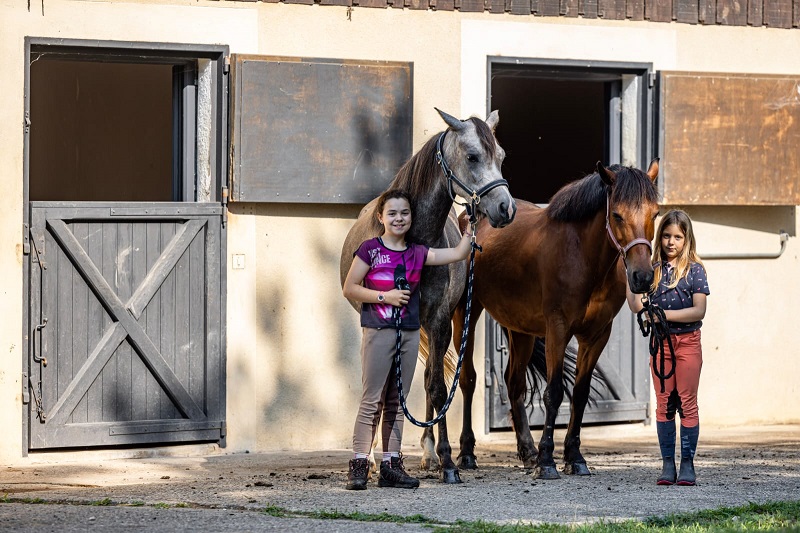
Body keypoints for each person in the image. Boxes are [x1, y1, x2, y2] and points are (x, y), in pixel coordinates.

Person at [342, 188, 473, 490]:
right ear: (381, 217)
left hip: (410, 333)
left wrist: (469, 229)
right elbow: (350, 287)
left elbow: (456, 254)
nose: (399, 218)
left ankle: (391, 464)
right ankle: (360, 464)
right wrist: (384, 296)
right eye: (392, 213)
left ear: (411, 218)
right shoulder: (369, 250)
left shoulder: (417, 252)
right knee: (371, 399)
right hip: (378, 330)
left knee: (396, 401)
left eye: (404, 213)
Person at [626, 209, 710, 486]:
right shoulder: (653, 271)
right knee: (664, 404)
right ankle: (666, 465)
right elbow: (638, 305)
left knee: (687, 402)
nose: (671, 242)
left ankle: (687, 464)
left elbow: (698, 311)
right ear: (659, 237)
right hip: (660, 343)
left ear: (687, 240)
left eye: (677, 237)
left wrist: (661, 314)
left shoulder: (695, 271)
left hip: (687, 343)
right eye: (666, 236)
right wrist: (630, 276)